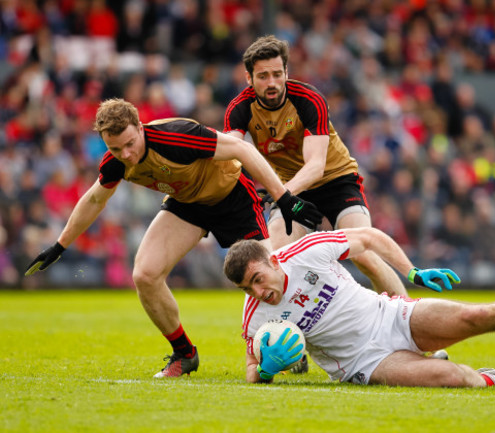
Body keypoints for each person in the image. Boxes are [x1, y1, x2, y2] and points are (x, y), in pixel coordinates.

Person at [24, 98, 323, 378]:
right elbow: (94, 200)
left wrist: (283, 198)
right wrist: (60, 245)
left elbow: (242, 150)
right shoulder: (115, 161)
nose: (126, 154)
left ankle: (291, 343)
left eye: (130, 144)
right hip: (188, 204)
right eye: (116, 149)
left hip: (233, 198)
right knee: (145, 274)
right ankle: (184, 353)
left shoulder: (177, 136)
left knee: (265, 275)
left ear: (141, 128)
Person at [223, 228, 495, 387]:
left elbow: (370, 238)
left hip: (390, 315)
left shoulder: (305, 253)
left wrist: (412, 272)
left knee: (478, 315)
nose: (259, 293)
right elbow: (251, 370)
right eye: (248, 288)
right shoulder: (255, 314)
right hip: (365, 363)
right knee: (451, 379)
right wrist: (267, 368)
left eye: (258, 279)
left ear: (273, 260)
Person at [223, 35, 407, 299]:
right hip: (293, 190)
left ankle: (409, 322)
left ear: (287, 71)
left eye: (277, 74)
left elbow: (316, 166)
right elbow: (231, 157)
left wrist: (280, 195)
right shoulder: (239, 109)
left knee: (363, 254)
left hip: (337, 180)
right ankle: (280, 331)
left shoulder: (308, 99)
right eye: (263, 76)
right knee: (274, 258)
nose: (272, 82)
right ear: (249, 78)